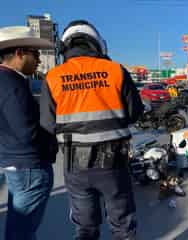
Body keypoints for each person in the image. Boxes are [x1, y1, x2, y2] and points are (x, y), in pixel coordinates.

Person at [40, 20, 144, 240]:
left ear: (65, 46)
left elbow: (48, 124)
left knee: (85, 228)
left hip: (75, 165)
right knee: (122, 225)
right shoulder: (115, 70)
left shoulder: (53, 77)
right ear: (96, 44)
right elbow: (135, 111)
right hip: (114, 163)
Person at [0, 26, 56, 240]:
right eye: (36, 54)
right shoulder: (12, 85)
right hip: (30, 169)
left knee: (18, 230)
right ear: (19, 53)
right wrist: (51, 140)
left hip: (14, 163)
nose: (39, 60)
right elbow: (27, 132)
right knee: (20, 233)